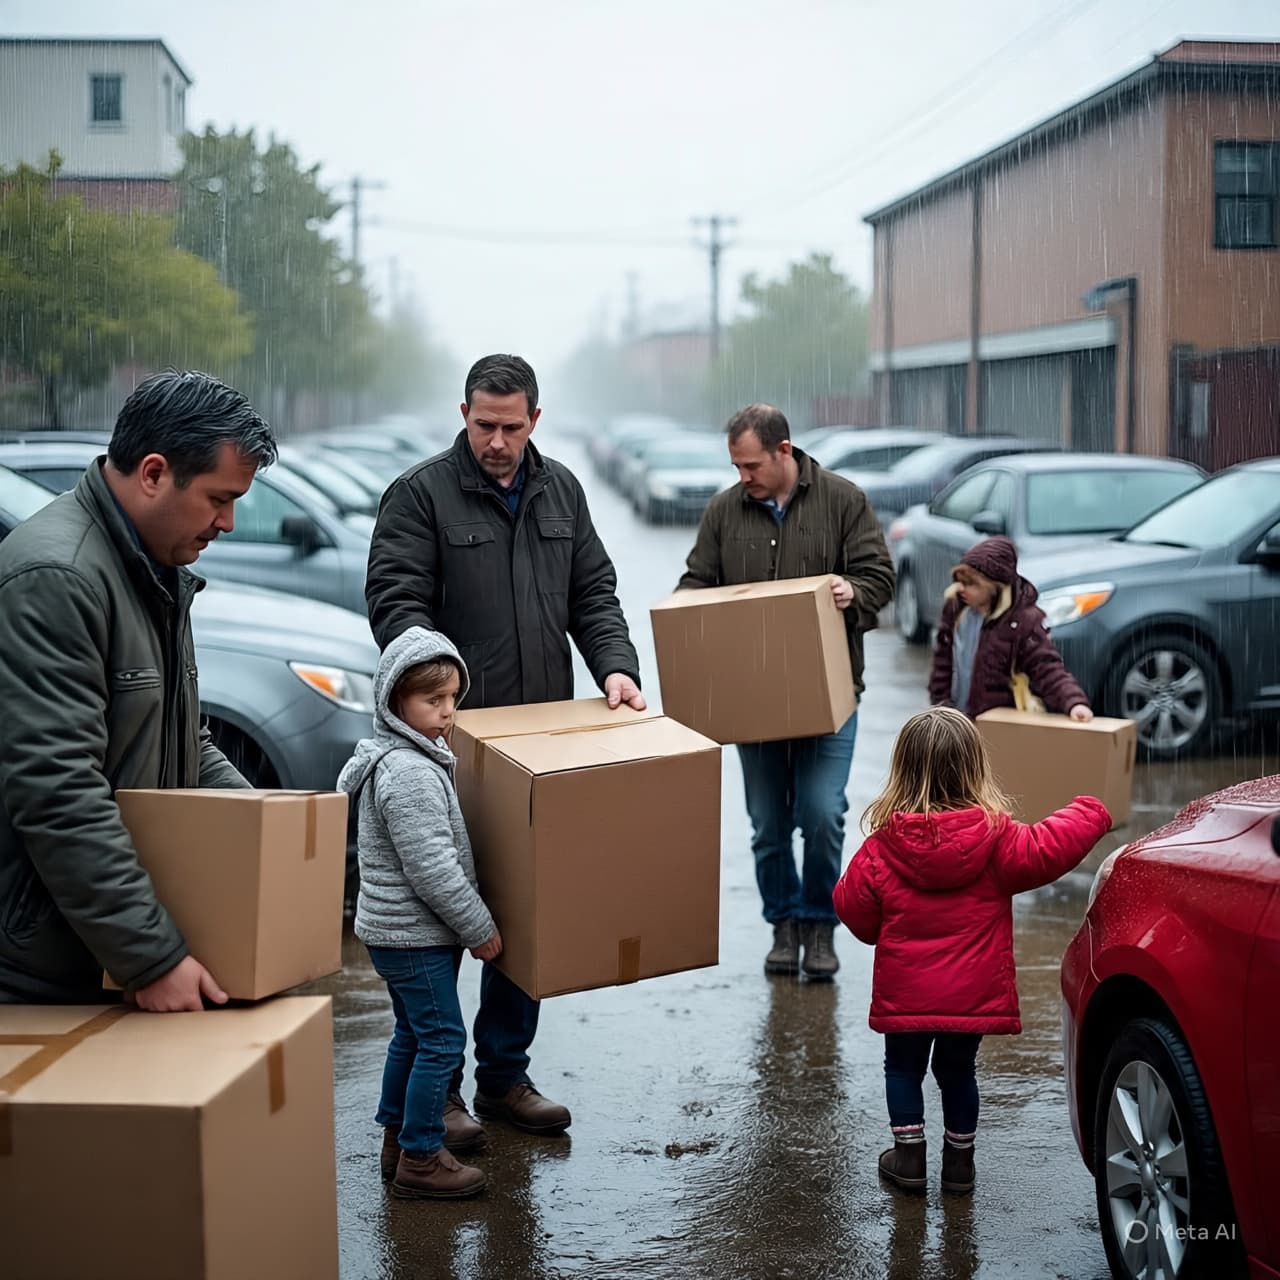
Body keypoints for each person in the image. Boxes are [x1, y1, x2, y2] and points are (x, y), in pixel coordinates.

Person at [365, 353, 644, 1139]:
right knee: (446, 911)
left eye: (510, 427)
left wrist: (616, 669)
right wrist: (435, 692)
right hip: (451, 748)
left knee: (526, 913)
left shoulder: (562, 490)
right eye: (483, 424)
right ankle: (440, 1090)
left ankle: (505, 1078)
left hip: (542, 745)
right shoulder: (420, 494)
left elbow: (593, 593)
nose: (495, 440)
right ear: (463, 413)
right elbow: (395, 600)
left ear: (535, 420)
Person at [0, 370, 277, 1007]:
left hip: (97, 946)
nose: (229, 522)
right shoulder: (59, 577)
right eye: (218, 498)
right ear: (154, 474)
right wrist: (151, 956)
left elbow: (182, 735)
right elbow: (59, 790)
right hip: (46, 965)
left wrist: (265, 834)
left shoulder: (152, 566)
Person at [832, 706, 1110, 1195]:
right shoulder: (999, 841)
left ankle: (910, 1157)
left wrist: (886, 926)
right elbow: (1052, 845)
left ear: (903, 770)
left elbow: (853, 912)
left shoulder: (880, 850)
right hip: (973, 996)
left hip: (906, 998)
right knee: (958, 1070)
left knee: (903, 1069)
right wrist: (1090, 810)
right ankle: (960, 1164)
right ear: (973, 768)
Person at [677, 403, 896, 979]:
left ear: (784, 451)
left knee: (823, 815)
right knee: (769, 825)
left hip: (829, 697)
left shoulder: (843, 500)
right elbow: (696, 583)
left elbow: (881, 575)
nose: (742, 477)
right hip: (755, 705)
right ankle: (783, 925)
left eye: (750, 465)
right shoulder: (725, 510)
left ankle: (820, 927)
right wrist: (690, 615)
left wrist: (854, 590)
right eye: (735, 466)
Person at [338, 627, 500, 1200]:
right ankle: (423, 1157)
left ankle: (396, 1139)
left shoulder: (414, 756)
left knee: (410, 1035)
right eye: (433, 701)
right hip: (413, 936)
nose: (448, 713)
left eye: (453, 698)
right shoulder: (408, 772)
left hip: (399, 934)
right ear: (395, 703)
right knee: (441, 1041)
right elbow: (432, 868)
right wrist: (478, 927)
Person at [929, 535, 1093, 721]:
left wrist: (1073, 702)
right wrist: (940, 706)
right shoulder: (955, 610)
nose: (961, 589)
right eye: (959, 581)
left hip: (995, 726)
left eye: (971, 583)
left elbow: (1047, 667)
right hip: (956, 721)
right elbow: (942, 665)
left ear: (994, 587)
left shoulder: (1022, 622)